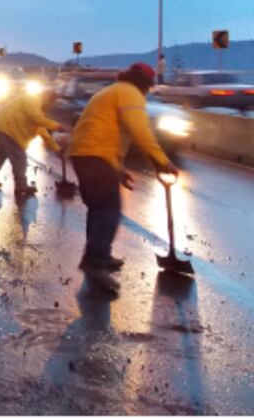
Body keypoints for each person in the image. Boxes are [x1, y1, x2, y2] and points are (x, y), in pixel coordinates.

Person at [69, 62, 178, 291]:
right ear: (146, 84)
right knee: (108, 209)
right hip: (95, 156)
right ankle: (95, 261)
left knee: (98, 209)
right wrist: (161, 160)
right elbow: (141, 131)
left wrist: (118, 170)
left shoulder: (112, 91)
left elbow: (110, 136)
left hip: (83, 154)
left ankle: (100, 255)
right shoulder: (130, 94)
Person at [0, 90, 63, 197]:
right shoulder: (32, 100)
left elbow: (43, 132)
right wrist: (58, 126)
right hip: (7, 129)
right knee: (20, 158)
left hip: (1, 126)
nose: (51, 105)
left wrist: (57, 149)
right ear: (46, 97)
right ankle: (21, 186)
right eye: (52, 102)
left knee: (1, 154)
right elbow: (36, 118)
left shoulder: (37, 108)